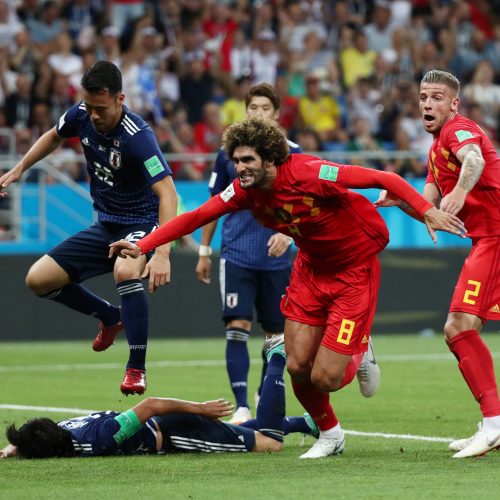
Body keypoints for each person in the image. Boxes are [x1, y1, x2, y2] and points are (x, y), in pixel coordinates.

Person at [109, 117, 465, 458]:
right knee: (295, 365)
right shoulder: (243, 191)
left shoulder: (309, 172)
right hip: (310, 269)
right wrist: (145, 245)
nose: (240, 167)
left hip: (353, 270)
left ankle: (361, 349)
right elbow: (198, 216)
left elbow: (382, 176)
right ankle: (330, 435)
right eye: (235, 160)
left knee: (325, 377)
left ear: (270, 158)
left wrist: (426, 210)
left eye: (248, 159)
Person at [0, 61, 178, 396]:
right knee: (38, 280)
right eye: (90, 106)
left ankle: (136, 368)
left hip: (141, 223)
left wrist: (163, 251)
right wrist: (21, 167)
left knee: (126, 271)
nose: (94, 115)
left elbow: (168, 193)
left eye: (101, 108)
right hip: (106, 224)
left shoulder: (138, 137)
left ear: (119, 99)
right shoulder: (81, 113)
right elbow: (54, 135)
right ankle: (111, 317)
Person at [377, 70, 500, 459]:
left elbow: (475, 159)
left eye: (437, 97)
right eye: (424, 97)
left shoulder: (457, 131)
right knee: (463, 330)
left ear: (454, 104)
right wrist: (404, 202)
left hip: (496, 239)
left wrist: (462, 190)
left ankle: (494, 423)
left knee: (457, 327)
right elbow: (430, 211)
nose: (428, 103)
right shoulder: (434, 152)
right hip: (488, 240)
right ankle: (492, 421)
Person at [1, 340, 318, 459]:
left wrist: (200, 410)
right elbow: (42, 433)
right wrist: (16, 446)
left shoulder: (99, 438)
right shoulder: (62, 430)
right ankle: (304, 423)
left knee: (270, 443)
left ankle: (277, 355)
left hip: (179, 430)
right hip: (166, 426)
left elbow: (150, 404)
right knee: (252, 431)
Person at [195, 83, 301, 424]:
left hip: (277, 261)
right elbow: (212, 206)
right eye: (252, 107)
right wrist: (203, 250)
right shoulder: (230, 155)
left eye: (264, 108)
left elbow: (307, 207)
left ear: (276, 114)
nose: (258, 113)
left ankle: (261, 392)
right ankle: (241, 406)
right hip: (237, 254)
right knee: (237, 326)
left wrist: (288, 234)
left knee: (275, 335)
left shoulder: (293, 153)